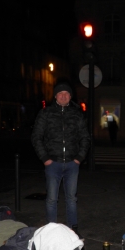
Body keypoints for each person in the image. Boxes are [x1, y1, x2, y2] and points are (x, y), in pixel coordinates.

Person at [31, 82, 90, 237]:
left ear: (70, 97)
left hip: (72, 163)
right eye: (60, 93)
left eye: (67, 94)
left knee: (71, 198)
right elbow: (36, 137)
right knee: (51, 199)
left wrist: (79, 158)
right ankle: (51, 229)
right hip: (53, 163)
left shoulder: (77, 114)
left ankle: (73, 228)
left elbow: (85, 137)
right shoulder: (46, 113)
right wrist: (45, 158)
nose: (63, 96)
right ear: (55, 96)